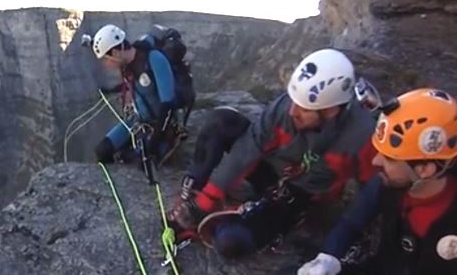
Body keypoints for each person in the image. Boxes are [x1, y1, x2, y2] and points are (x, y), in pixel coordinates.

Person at [167, 48, 378, 259]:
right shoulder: (285, 108)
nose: (293, 111)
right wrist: (206, 200)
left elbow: (374, 189)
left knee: (231, 242)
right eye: (294, 101)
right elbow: (248, 148)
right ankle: (191, 194)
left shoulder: (361, 137)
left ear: (330, 111)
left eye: (304, 108)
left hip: (299, 196)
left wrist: (350, 234)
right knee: (221, 121)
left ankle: (250, 222)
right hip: (274, 170)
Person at [298, 88, 457, 275]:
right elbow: (352, 222)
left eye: (389, 158)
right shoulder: (391, 182)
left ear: (424, 169)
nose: (376, 161)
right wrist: (328, 258)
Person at [90, 24, 179, 164]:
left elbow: (168, 105)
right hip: (139, 121)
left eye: (105, 59)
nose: (105, 64)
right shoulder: (127, 66)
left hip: (162, 126)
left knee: (141, 163)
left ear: (115, 52)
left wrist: (154, 142)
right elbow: (135, 85)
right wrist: (111, 90)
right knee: (102, 151)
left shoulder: (155, 60)